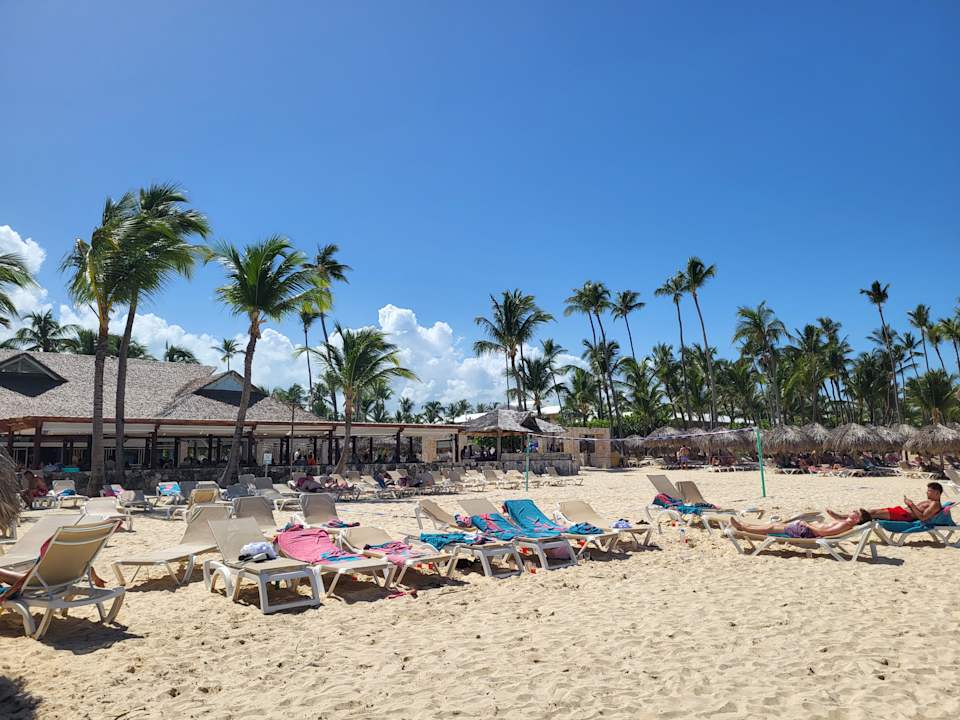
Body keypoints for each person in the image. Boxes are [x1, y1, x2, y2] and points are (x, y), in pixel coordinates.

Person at [826, 482, 943, 523]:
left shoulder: (935, 504)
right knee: (872, 511)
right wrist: (908, 504)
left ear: (937, 493)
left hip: (905, 516)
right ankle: (844, 516)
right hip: (902, 511)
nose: (927, 493)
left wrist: (911, 504)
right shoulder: (930, 501)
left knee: (874, 514)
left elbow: (923, 517)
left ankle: (847, 519)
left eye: (930, 491)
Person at [730, 509, 869, 539]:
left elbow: (824, 533)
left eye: (856, 513)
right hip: (805, 530)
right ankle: (743, 526)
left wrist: (807, 525)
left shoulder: (845, 525)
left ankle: (743, 528)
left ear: (857, 519)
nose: (852, 511)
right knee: (773, 526)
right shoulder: (846, 522)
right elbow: (839, 517)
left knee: (772, 528)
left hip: (806, 532)